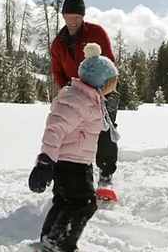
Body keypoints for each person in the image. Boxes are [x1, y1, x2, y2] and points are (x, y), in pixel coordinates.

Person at [28, 42, 119, 252]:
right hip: (70, 163)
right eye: (112, 82)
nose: (114, 87)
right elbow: (55, 129)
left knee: (64, 202)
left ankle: (48, 241)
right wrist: (45, 162)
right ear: (102, 82)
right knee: (84, 204)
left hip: (78, 162)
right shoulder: (78, 100)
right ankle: (60, 244)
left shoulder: (89, 98)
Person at [50, 0, 119, 188]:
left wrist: (106, 89)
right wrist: (68, 93)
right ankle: (83, 175)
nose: (73, 21)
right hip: (77, 93)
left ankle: (106, 177)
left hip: (105, 90)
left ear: (83, 17)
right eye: (69, 16)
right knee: (77, 133)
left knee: (103, 129)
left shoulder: (96, 33)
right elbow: (58, 72)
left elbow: (110, 65)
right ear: (63, 16)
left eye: (77, 17)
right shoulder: (58, 43)